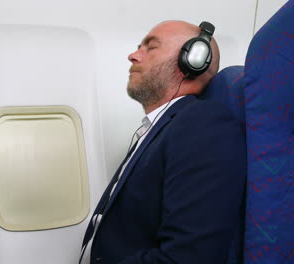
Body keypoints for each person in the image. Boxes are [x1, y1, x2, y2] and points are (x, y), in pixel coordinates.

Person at [80, 20, 247, 264]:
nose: (133, 55)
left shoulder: (203, 125)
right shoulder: (160, 128)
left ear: (194, 59)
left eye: (151, 47)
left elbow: (188, 257)